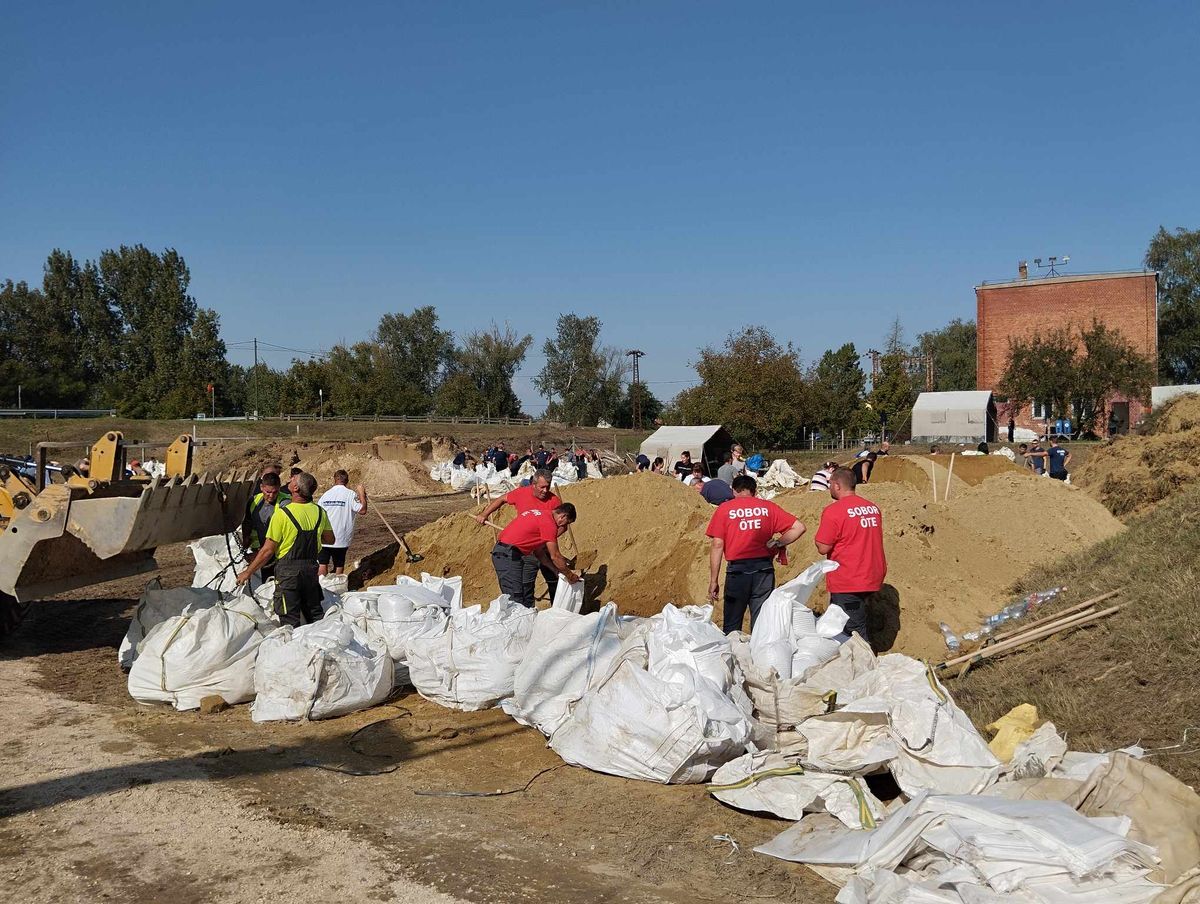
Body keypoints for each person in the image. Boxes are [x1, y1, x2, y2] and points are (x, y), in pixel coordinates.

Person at [706, 474, 807, 634]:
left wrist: (713, 580)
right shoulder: (768, 507)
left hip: (737, 573)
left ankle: (734, 655)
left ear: (734, 491)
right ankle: (760, 656)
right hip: (763, 571)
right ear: (754, 491)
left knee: (732, 624)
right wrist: (779, 542)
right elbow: (799, 527)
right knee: (762, 623)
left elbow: (718, 544)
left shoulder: (725, 509)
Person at [237, 472, 334, 628]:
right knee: (315, 614)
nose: (291, 478)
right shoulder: (320, 512)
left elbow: (267, 551)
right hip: (310, 570)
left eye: (294, 479)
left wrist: (247, 572)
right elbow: (330, 539)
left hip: (288, 573)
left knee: (290, 620)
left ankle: (294, 648)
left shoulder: (282, 514)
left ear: (295, 488)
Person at [814, 468, 887, 644]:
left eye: (830, 484)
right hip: (871, 574)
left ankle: (865, 668)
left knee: (853, 633)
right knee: (857, 620)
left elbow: (823, 547)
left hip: (849, 579)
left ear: (837, 485)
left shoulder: (834, 511)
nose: (829, 487)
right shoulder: (872, 508)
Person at [476, 469, 564, 600]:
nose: (545, 490)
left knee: (554, 580)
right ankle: (528, 613)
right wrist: (484, 514)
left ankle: (557, 613)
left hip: (545, 548)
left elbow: (563, 526)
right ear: (533, 485)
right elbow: (501, 499)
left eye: (548, 486)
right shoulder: (521, 493)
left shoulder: (554, 501)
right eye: (542, 487)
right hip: (526, 550)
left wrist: (546, 540)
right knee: (526, 584)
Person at [491, 502, 580, 607]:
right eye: (566, 523)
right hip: (507, 554)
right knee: (515, 596)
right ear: (562, 516)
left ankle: (523, 619)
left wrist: (556, 571)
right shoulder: (549, 524)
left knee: (520, 592)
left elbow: (539, 553)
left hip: (511, 554)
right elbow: (555, 556)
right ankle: (516, 622)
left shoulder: (542, 515)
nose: (564, 527)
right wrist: (570, 575)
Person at [316, 470, 368, 576]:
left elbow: (318, 514)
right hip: (341, 537)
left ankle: (321, 587)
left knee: (322, 564)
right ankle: (337, 587)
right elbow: (362, 510)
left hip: (325, 536)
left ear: (334, 479)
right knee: (339, 565)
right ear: (347, 480)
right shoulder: (350, 494)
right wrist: (362, 494)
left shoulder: (325, 495)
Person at [242, 472, 291, 582]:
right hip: (262, 552)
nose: (271, 496)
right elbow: (247, 523)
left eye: (275, 492)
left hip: (280, 555)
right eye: (268, 492)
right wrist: (246, 542)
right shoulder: (254, 501)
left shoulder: (286, 503)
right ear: (261, 487)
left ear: (279, 488)